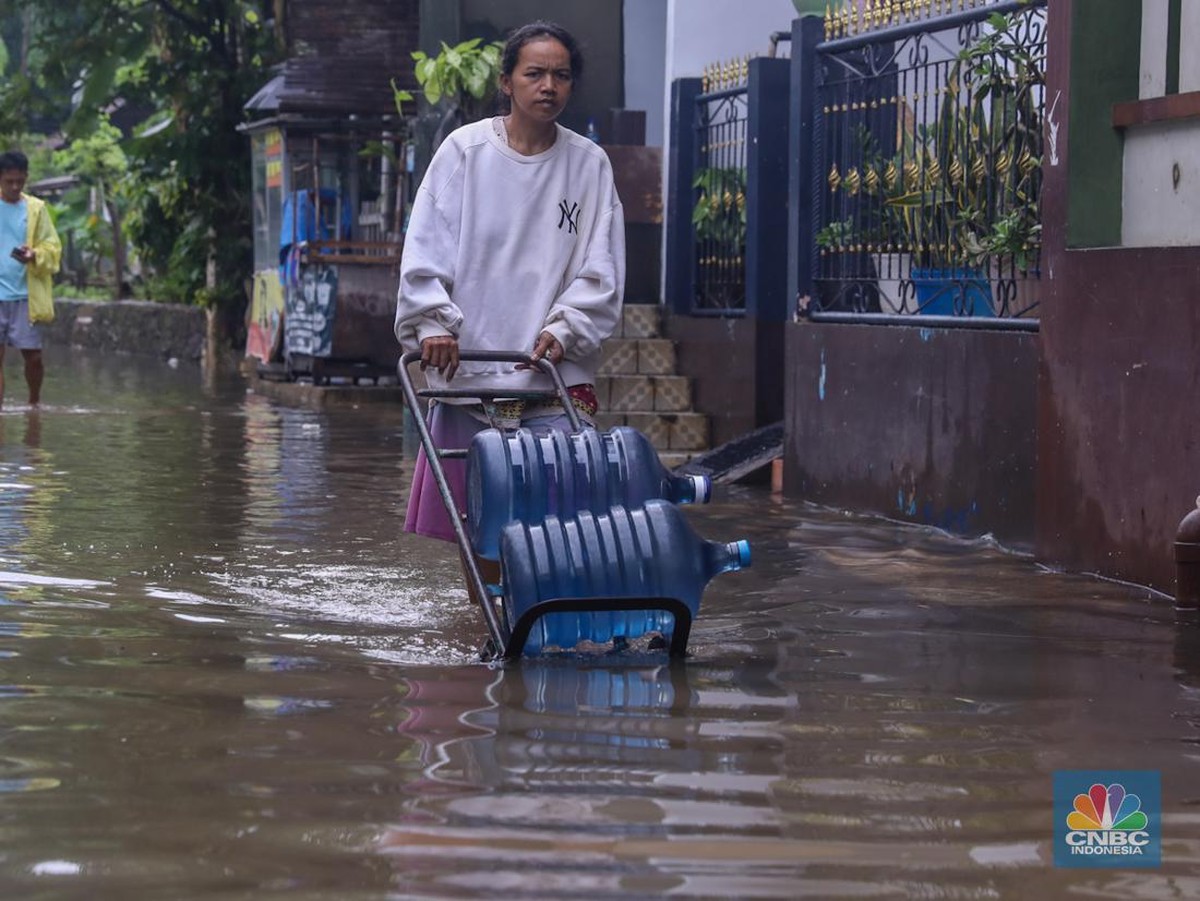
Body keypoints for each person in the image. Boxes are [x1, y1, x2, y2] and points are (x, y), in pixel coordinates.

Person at [395, 21, 625, 553]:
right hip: (469, 371)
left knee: (559, 529)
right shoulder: (464, 152)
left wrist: (568, 326)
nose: (549, 86)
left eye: (561, 76)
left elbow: (602, 267)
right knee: (478, 534)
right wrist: (432, 323)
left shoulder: (589, 164)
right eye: (535, 73)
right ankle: (489, 628)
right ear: (507, 81)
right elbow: (426, 243)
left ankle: (531, 622)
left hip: (551, 373)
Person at [0, 150, 61, 410]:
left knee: (34, 358)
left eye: (19, 181)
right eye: (9, 181)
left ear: (25, 178)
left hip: (26, 295)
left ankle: (34, 403)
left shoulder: (36, 209)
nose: (15, 187)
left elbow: (53, 247)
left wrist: (34, 254)